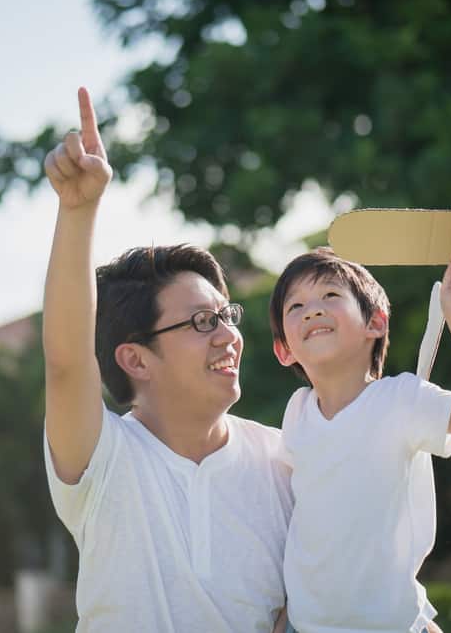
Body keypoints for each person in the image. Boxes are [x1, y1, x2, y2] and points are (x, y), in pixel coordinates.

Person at [40, 87, 293, 632]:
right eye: (203, 322)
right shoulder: (103, 460)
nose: (228, 336)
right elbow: (65, 361)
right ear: (135, 359)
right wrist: (78, 210)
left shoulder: (287, 460)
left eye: (227, 316)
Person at [268, 246, 451, 633]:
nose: (312, 309)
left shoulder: (401, 400)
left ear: (375, 323)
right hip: (305, 625)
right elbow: (304, 526)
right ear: (283, 350)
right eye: (295, 306)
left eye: (330, 296)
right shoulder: (296, 412)